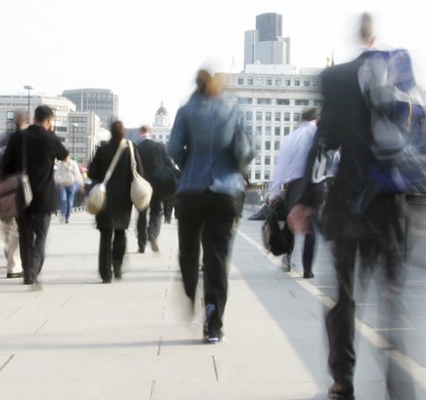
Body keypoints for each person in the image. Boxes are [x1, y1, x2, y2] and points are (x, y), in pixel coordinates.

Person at [291, 13, 413, 400]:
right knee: (391, 298)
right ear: (374, 36)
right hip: (392, 204)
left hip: (348, 202)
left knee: (344, 295)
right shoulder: (398, 72)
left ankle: (343, 379)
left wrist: (306, 201)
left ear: (356, 36)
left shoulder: (336, 77)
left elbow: (324, 140)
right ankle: (398, 382)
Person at [169, 69, 255, 344]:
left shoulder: (186, 110)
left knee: (189, 251)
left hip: (191, 191)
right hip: (225, 192)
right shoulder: (233, 108)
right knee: (217, 258)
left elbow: (173, 149)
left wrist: (190, 165)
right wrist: (232, 167)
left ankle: (191, 291)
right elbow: (246, 149)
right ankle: (214, 322)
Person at [0, 105, 70, 286]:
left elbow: (5, 166)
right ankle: (33, 271)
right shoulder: (50, 139)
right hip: (44, 196)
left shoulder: (18, 137)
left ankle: (27, 270)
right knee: (41, 237)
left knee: (25, 236)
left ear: (35, 118)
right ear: (48, 121)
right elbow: (66, 157)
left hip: (22, 195)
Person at [88, 121, 145, 283]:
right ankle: (117, 264)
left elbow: (92, 172)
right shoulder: (130, 150)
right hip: (124, 199)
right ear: (123, 132)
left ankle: (105, 273)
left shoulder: (102, 150)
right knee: (120, 232)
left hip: (104, 198)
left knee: (105, 235)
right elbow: (139, 172)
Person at [269, 108, 319, 278]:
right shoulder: (319, 134)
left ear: (301, 119)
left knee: (291, 222)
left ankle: (287, 257)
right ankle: (307, 268)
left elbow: (281, 167)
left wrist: (275, 192)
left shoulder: (291, 137)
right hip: (315, 182)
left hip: (295, 184)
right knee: (311, 225)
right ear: (316, 118)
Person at [0, 110, 30, 279]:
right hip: (20, 188)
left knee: (10, 227)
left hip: (6, 187)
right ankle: (14, 265)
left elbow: (2, 165)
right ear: (27, 121)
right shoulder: (25, 138)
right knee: (17, 228)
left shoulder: (8, 138)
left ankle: (12, 261)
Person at [135, 125, 177, 253]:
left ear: (140, 132)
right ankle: (152, 233)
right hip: (158, 185)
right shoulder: (159, 146)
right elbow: (169, 165)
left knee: (142, 214)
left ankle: (141, 244)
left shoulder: (137, 148)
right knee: (157, 212)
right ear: (150, 132)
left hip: (142, 185)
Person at [55, 154, 82, 224]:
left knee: (69, 202)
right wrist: (61, 181)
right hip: (63, 185)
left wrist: (80, 183)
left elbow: (77, 174)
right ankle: (63, 214)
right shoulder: (60, 164)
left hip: (71, 185)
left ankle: (67, 217)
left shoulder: (73, 164)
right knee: (63, 200)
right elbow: (57, 175)